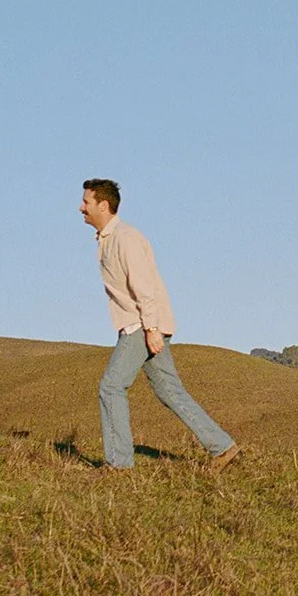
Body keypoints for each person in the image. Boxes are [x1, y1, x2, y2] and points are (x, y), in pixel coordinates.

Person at [79, 178, 240, 473]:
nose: (81, 207)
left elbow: (144, 287)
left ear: (103, 205)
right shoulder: (107, 240)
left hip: (142, 324)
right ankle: (223, 447)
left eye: (86, 202)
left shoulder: (125, 238)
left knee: (111, 386)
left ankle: (118, 465)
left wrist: (152, 329)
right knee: (170, 391)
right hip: (140, 323)